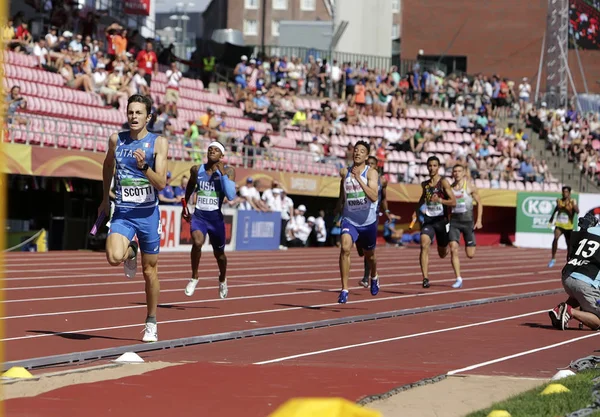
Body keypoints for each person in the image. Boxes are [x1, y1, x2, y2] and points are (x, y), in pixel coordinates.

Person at [98, 94, 168, 343]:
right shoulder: (116, 140)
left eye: (139, 113)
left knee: (150, 271)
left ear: (148, 116)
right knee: (114, 256)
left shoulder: (158, 143)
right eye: (131, 112)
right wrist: (106, 199)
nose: (134, 117)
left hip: (148, 214)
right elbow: (107, 166)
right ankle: (131, 251)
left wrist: (144, 168)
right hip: (124, 211)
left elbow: (161, 183)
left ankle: (151, 321)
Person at [182, 142, 237, 299]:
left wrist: (222, 174)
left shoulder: (228, 171)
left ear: (222, 155)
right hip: (199, 216)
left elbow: (231, 195)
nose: (212, 151)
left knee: (219, 255)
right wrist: (185, 206)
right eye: (210, 149)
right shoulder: (196, 169)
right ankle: (194, 277)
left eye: (216, 150)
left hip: (216, 219)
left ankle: (222, 278)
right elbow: (191, 185)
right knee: (197, 243)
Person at [335, 141, 380, 304]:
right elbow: (342, 195)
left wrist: (358, 179)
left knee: (371, 257)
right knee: (345, 248)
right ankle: (344, 289)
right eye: (356, 150)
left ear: (367, 156)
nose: (358, 153)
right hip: (349, 220)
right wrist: (337, 211)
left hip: (368, 222)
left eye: (362, 151)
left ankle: (374, 275)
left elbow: (374, 196)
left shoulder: (371, 173)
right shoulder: (343, 172)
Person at [549, 211, 600, 331]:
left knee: (579, 295)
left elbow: (569, 256)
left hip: (567, 275)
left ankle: (559, 311)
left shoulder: (588, 232)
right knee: (597, 321)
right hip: (586, 281)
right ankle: (569, 311)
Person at [413, 156, 456, 288]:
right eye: (430, 165)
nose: (432, 168)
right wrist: (415, 211)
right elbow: (422, 198)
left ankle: (444, 248)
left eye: (434, 165)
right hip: (429, 220)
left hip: (442, 221)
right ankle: (425, 278)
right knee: (424, 243)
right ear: (427, 167)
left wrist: (440, 201)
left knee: (442, 253)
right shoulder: (425, 184)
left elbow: (453, 202)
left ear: (438, 167)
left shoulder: (443, 183)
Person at [358, 156, 397, 288]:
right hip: (359, 214)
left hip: (373, 216)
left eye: (372, 164)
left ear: (377, 166)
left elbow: (384, 198)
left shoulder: (382, 181)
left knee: (369, 249)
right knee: (361, 248)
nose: (369, 166)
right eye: (367, 164)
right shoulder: (361, 178)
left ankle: (365, 278)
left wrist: (386, 212)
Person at [448, 164, 483, 289]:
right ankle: (458, 278)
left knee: (470, 254)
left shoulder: (470, 187)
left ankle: (470, 244)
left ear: (463, 173)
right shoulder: (449, 189)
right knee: (453, 248)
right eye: (455, 171)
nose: (457, 173)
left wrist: (478, 220)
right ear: (452, 173)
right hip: (454, 222)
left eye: (459, 171)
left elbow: (479, 203)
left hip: (468, 222)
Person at [548, 186, 579, 268]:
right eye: (563, 192)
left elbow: (577, 211)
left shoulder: (572, 201)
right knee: (555, 238)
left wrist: (571, 207)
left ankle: (568, 260)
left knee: (569, 244)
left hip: (568, 226)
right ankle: (553, 258)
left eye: (566, 192)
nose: (564, 193)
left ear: (569, 193)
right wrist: (551, 219)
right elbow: (556, 209)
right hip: (559, 225)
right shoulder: (559, 201)